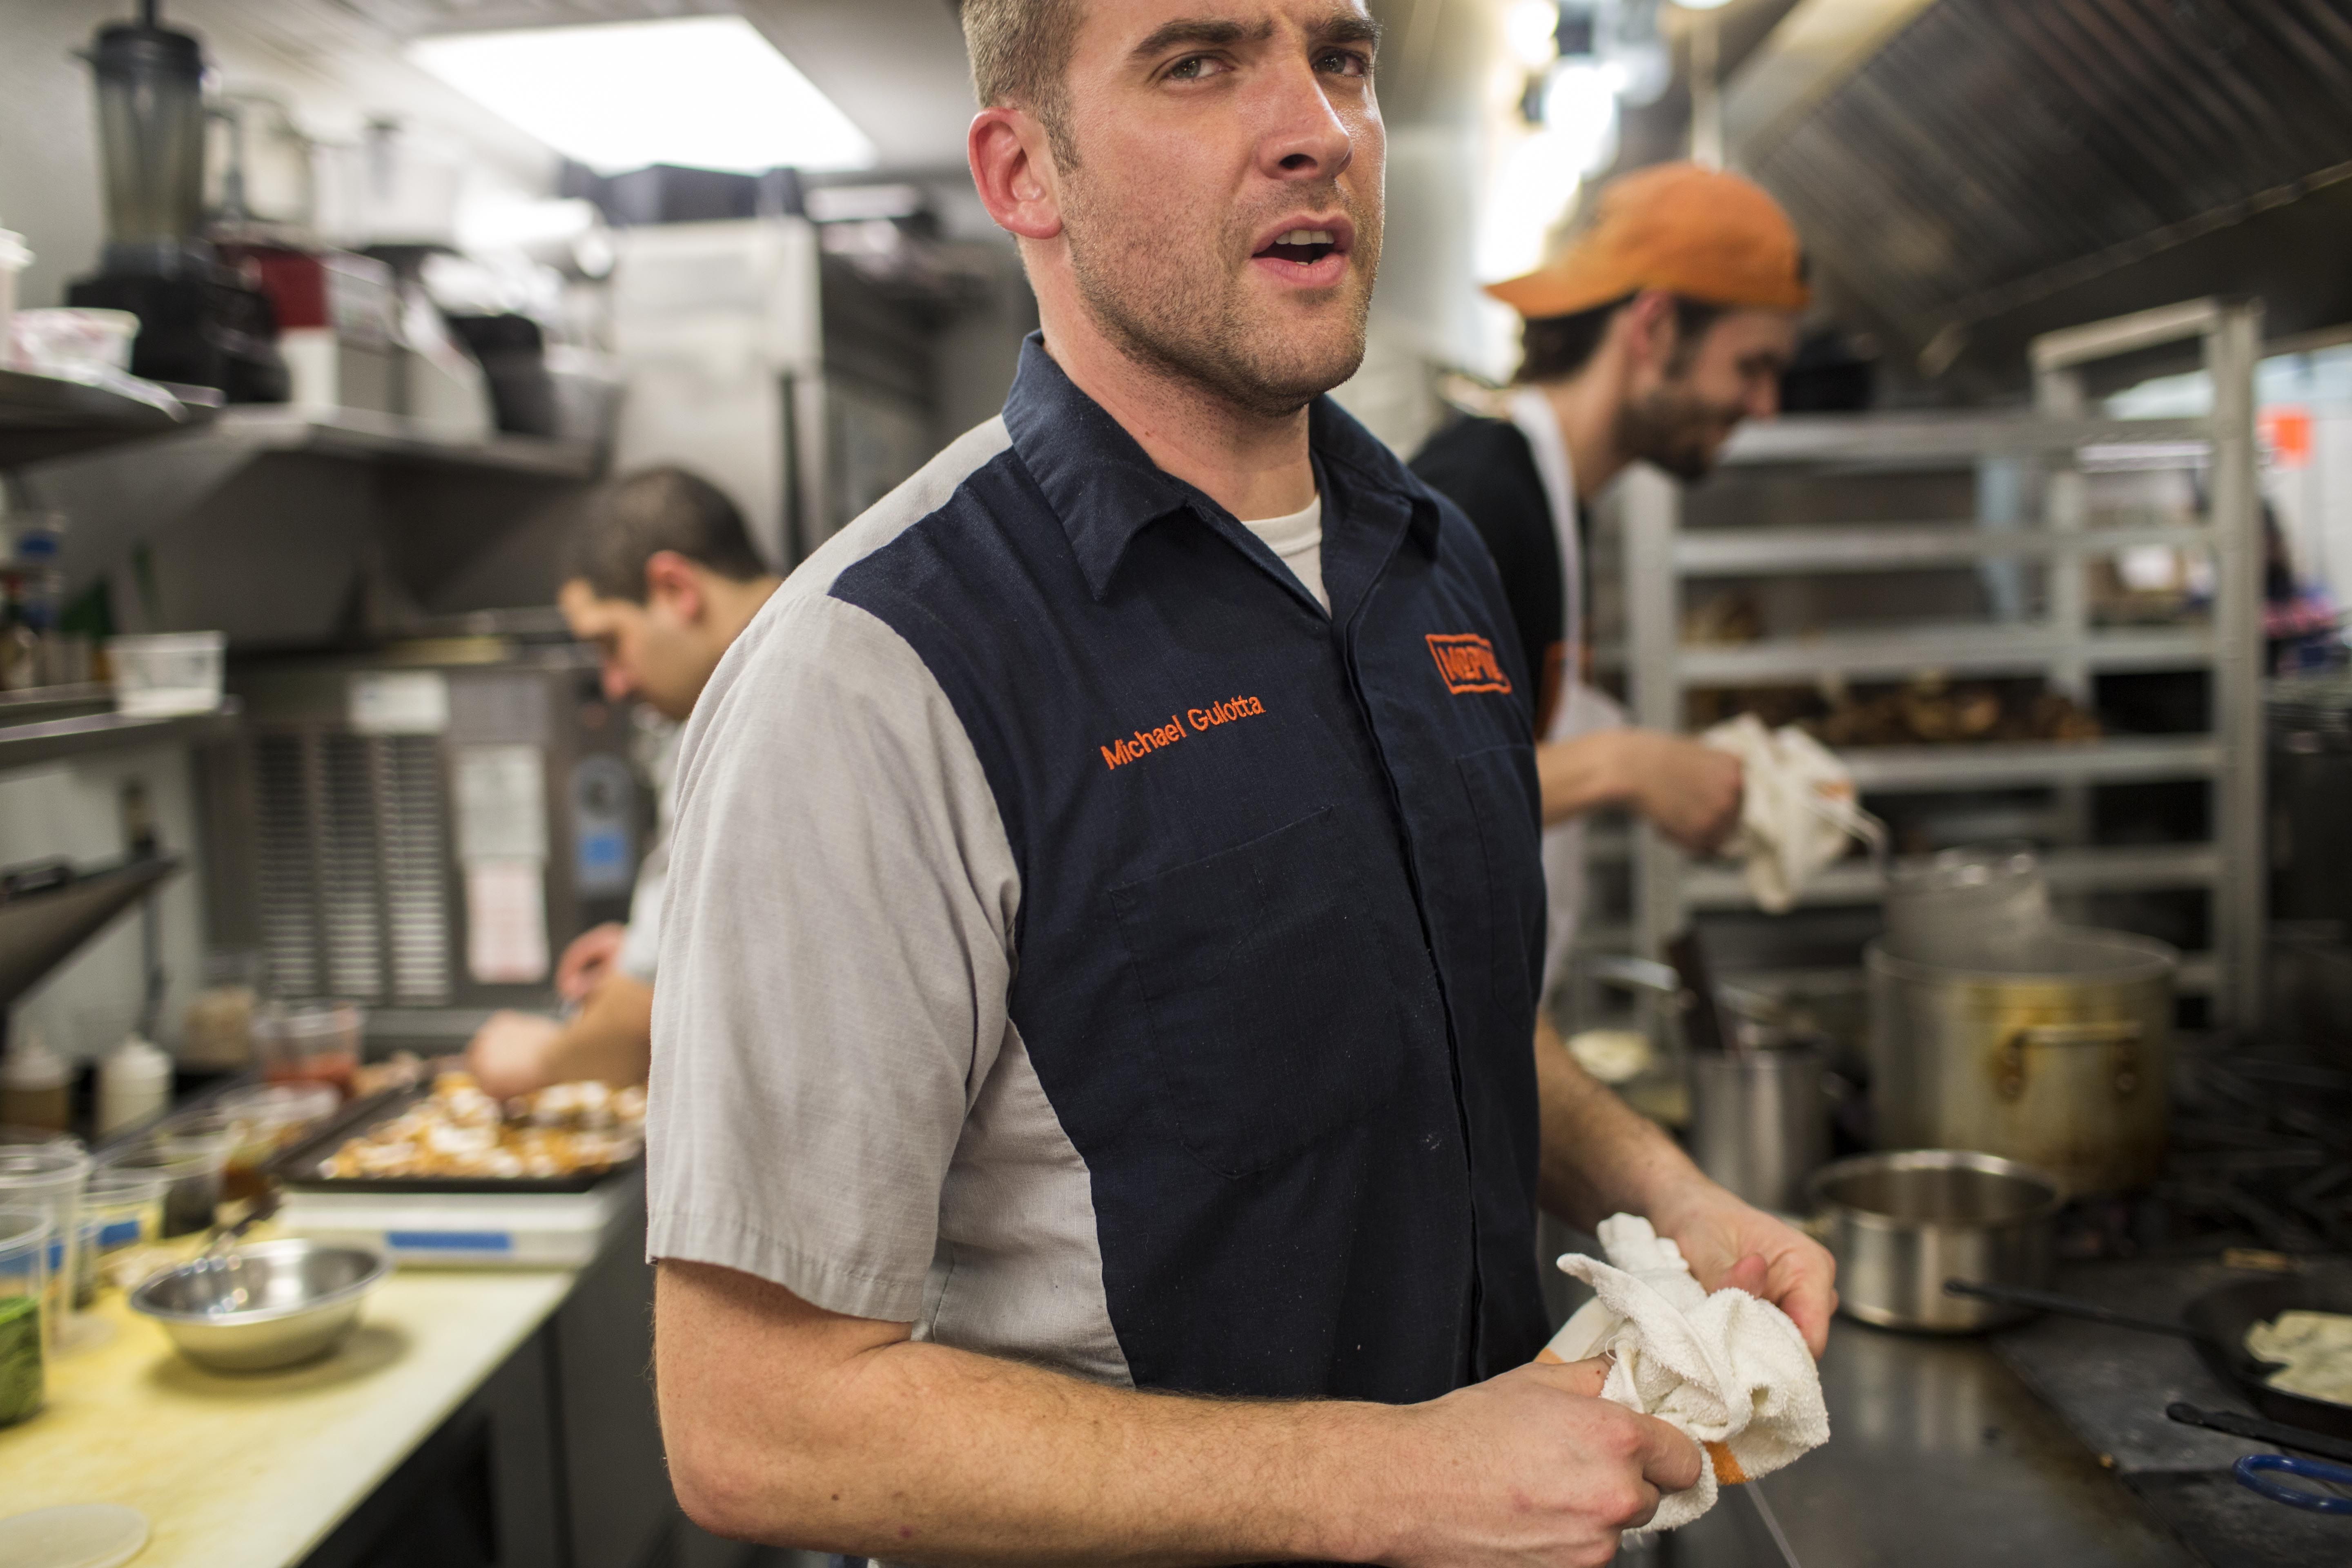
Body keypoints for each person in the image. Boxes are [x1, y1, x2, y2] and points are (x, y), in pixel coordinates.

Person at [649, 5, 1834, 1565]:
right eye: (1197, 62)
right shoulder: (873, 674)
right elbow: (755, 1423)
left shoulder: (1430, 560)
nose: (1318, 130)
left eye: (1339, 59)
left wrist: (1666, 1192)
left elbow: (1433, 1000)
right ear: (1024, 174)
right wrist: (1401, 1483)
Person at [1412, 162, 1806, 992]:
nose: (1765, 405)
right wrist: (1627, 766)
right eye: (1752, 365)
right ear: (1655, 328)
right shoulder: (1477, 498)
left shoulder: (1558, 501)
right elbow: (1412, 789)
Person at [464, 466, 781, 1100]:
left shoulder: (763, 706)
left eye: (611, 642)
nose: (613, 683)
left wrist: (537, 1059)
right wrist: (664, 935)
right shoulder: (788, 658)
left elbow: (641, 1022)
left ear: (674, 588)